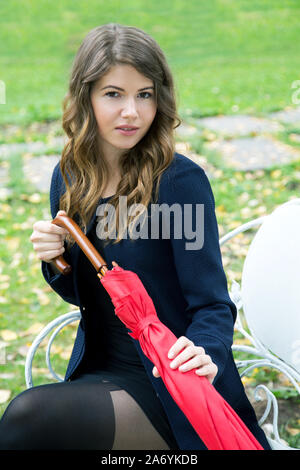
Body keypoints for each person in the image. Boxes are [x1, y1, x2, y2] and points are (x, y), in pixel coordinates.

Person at [0, 23, 271, 450]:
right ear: (85, 97)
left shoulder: (179, 182)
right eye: (114, 94)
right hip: (99, 371)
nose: (132, 112)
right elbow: (88, 294)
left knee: (26, 418)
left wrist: (206, 353)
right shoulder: (70, 175)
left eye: (144, 94)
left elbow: (213, 304)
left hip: (171, 385)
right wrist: (53, 258)